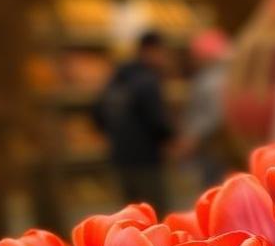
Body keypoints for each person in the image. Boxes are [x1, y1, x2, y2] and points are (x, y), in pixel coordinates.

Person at [94, 30, 173, 214]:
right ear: (151, 50)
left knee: (130, 216)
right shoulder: (148, 80)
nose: (164, 58)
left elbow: (98, 111)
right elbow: (156, 119)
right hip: (146, 159)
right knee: (154, 214)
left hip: (119, 157)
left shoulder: (117, 78)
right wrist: (170, 139)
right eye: (162, 52)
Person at [176, 28, 232, 186]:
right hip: (221, 145)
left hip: (212, 146)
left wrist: (191, 139)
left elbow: (212, 115)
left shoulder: (210, 80)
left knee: (213, 185)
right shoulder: (227, 75)